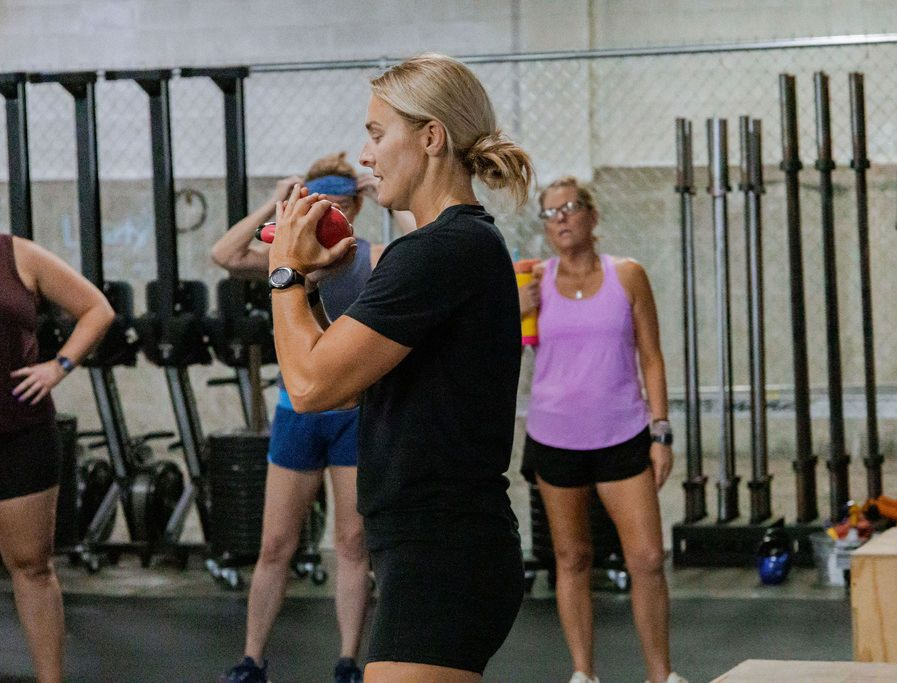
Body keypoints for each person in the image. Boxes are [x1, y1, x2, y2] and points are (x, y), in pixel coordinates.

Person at [267, 53, 534, 682]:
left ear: (431, 136)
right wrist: (305, 288)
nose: (366, 155)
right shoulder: (444, 248)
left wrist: (285, 270)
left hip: (443, 551)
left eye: (377, 135)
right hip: (429, 549)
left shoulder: (442, 250)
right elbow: (342, 388)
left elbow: (306, 387)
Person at [213, 152, 414, 683]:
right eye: (319, 202)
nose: (331, 211)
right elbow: (226, 254)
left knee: (351, 544)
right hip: (297, 411)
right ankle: (251, 659)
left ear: (354, 207)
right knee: (276, 544)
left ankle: (349, 661)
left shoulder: (375, 259)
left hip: (353, 413)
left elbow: (420, 246)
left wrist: (385, 195)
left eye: (342, 204)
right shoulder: (289, 258)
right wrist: (273, 204)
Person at [519, 176, 686, 683]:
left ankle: (661, 676)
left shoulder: (628, 275)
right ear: (545, 228)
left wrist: (660, 431)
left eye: (570, 208)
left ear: (591, 216)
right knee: (571, 559)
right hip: (555, 437)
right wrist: (516, 315)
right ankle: (583, 673)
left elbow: (651, 356)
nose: (561, 218)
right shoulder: (531, 282)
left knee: (648, 559)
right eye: (550, 213)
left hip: (623, 433)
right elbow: (507, 355)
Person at [1, 234, 114, 683]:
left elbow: (97, 309)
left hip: (21, 431)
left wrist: (59, 365)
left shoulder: (17, 255)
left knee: (32, 565)